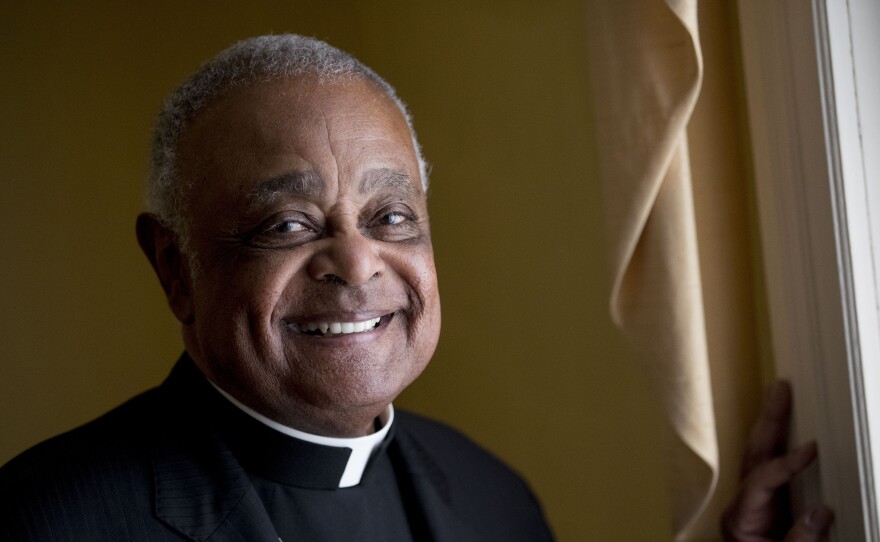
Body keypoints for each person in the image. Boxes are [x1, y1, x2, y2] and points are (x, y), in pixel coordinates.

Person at [0, 34, 830, 541]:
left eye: (391, 216)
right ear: (175, 268)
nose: (356, 265)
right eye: (288, 225)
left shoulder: (492, 497)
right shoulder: (43, 522)